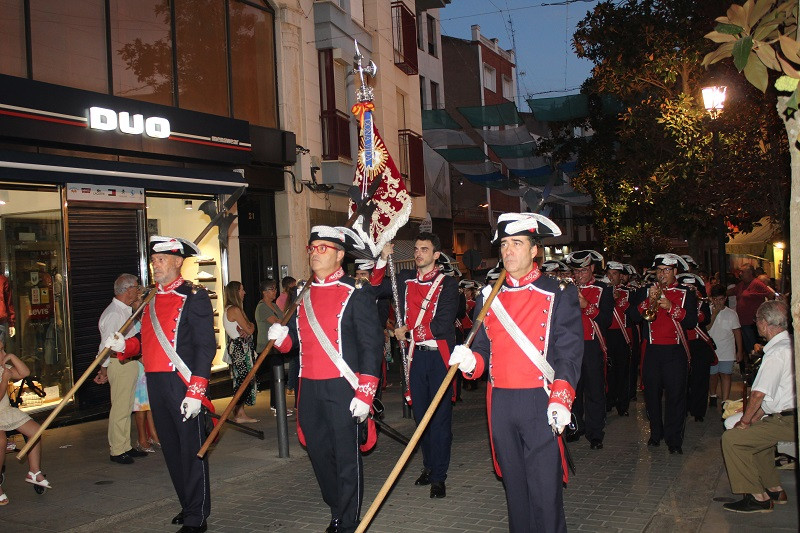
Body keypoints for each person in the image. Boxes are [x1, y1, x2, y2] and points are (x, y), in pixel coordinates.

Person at [449, 212, 583, 533]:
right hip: (501, 405)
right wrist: (471, 363)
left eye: (517, 243)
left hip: (540, 401)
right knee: (516, 495)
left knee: (545, 495)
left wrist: (562, 398)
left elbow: (569, 351)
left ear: (533, 250)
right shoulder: (488, 295)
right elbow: (483, 351)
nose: (508, 251)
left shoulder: (558, 292)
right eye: (505, 244)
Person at [269, 225, 383, 533]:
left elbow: (371, 346)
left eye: (323, 248)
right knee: (318, 454)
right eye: (313, 248)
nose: (316, 253)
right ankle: (336, 506)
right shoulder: (300, 293)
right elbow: (295, 342)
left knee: (346, 457)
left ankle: (347, 521)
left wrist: (366, 392)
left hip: (343, 386)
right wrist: (282, 339)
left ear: (340, 255)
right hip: (310, 387)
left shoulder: (356, 291)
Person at [105, 236, 215, 533]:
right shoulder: (151, 298)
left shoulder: (194, 296)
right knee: (172, 449)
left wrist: (197, 389)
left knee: (192, 451)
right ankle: (188, 503)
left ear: (178, 262)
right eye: (153, 260)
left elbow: (206, 346)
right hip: (155, 381)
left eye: (161, 259)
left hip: (182, 383)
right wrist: (125, 346)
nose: (155, 265)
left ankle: (197, 517)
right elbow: (148, 341)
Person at [371, 232, 459, 498]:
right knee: (421, 418)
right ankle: (429, 467)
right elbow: (375, 288)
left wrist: (408, 332)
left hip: (439, 358)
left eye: (424, 249)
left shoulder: (448, 284)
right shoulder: (404, 280)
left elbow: (442, 325)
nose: (418, 253)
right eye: (416, 249)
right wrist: (381, 259)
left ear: (435, 255)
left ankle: (439, 477)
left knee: (440, 419)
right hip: (415, 358)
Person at [721, 300, 795, 513]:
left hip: (787, 420)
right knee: (758, 433)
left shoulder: (776, 352)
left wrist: (745, 421)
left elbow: (759, 394)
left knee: (733, 439)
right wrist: (754, 417)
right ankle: (774, 488)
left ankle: (757, 497)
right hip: (785, 415)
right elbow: (775, 395)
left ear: (764, 322)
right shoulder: (788, 344)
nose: (755, 325)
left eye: (756, 321)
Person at [638, 254, 697, 455]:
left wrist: (672, 307)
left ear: (675, 272)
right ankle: (656, 434)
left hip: (675, 350)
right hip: (653, 351)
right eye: (660, 271)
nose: (662, 275)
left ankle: (674, 439)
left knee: (675, 397)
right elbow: (632, 317)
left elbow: (691, 323)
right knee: (652, 395)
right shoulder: (648, 291)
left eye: (667, 270)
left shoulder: (686, 293)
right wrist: (649, 300)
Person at [93, 274, 150, 464]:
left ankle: (124, 445)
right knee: (120, 407)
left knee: (126, 407)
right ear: (127, 290)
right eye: (136, 287)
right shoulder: (114, 314)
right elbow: (106, 346)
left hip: (129, 362)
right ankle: (117, 449)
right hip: (119, 363)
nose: (139, 290)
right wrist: (103, 369)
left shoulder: (125, 310)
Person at [565, 249, 613, 449]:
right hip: (570, 346)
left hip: (592, 345)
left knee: (594, 391)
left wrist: (586, 304)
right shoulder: (566, 288)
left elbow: (606, 320)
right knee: (573, 390)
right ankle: (575, 426)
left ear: (592, 268)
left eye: (583, 271)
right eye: (576, 272)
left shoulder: (603, 289)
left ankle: (595, 433)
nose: (579, 276)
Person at [0, 338, 52, 504]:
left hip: (4, 411)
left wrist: (12, 356)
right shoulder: (4, 373)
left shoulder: (3, 367)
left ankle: (34, 472)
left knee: (35, 431)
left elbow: (24, 373)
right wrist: (4, 380)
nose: (2, 354)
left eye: (3, 349)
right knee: (0, 441)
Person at [679, 273, 715, 422]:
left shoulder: (702, 301)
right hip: (682, 342)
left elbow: (704, 319)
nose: (689, 290)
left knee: (700, 379)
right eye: (686, 287)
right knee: (682, 380)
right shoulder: (676, 301)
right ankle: (684, 408)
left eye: (692, 287)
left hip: (699, 343)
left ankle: (698, 410)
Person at [254, 278, 292, 417]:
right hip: (266, 347)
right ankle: (277, 406)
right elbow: (278, 322)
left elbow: (283, 319)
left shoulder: (274, 306)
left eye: (275, 288)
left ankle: (276, 405)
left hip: (275, 347)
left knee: (277, 377)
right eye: (272, 289)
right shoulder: (262, 307)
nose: (275, 291)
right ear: (264, 292)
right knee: (275, 376)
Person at [223, 281, 258, 423]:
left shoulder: (231, 309)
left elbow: (250, 328)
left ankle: (240, 411)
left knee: (243, 378)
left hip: (239, 346)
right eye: (242, 290)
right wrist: (250, 326)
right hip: (239, 348)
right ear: (235, 292)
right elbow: (250, 329)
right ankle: (237, 411)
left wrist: (250, 327)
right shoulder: (235, 310)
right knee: (245, 379)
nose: (244, 293)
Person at [605, 261, 636, 417]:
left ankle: (622, 405)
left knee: (623, 371)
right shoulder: (602, 290)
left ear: (621, 276)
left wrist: (619, 300)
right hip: (606, 334)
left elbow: (634, 315)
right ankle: (608, 401)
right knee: (607, 371)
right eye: (609, 274)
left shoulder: (629, 292)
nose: (611, 277)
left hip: (622, 335)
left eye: (615, 274)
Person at [729, 264, 779, 358]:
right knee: (747, 348)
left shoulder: (757, 283)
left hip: (751, 323)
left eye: (743, 272)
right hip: (742, 322)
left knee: (754, 347)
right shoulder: (742, 285)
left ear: (750, 273)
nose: (740, 274)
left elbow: (771, 295)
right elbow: (732, 291)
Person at [708, 284, 743, 408]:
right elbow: (706, 327)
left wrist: (739, 350)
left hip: (727, 349)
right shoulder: (707, 310)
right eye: (715, 299)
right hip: (712, 350)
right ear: (711, 299)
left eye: (721, 299)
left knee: (726, 374)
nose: (719, 302)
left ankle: (725, 400)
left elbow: (737, 332)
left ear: (725, 299)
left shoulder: (731, 314)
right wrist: (714, 313)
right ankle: (712, 395)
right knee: (713, 375)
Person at [0, 274, 15, 345]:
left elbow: (9, 303)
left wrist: (11, 323)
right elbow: (9, 303)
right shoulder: (3, 280)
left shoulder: (3, 280)